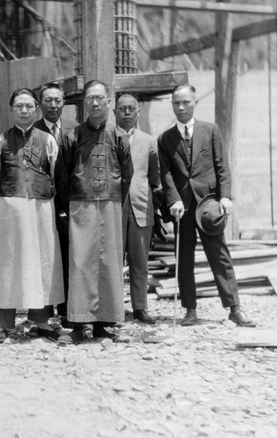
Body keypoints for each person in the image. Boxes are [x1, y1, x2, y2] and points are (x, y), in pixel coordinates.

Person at [157, 84, 255, 327]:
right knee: (184, 258)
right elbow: (166, 175)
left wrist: (225, 197)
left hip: (209, 205)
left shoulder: (210, 131)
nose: (181, 107)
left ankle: (234, 308)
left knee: (219, 255)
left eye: (185, 102)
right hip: (182, 207)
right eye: (176, 103)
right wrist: (174, 200)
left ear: (195, 102)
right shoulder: (165, 139)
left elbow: (222, 166)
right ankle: (190, 309)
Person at [56, 80, 132, 344]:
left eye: (100, 98)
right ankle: (78, 323)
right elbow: (62, 175)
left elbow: (127, 174)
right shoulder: (72, 136)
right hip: (80, 205)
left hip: (110, 204)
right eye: (91, 99)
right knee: (80, 262)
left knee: (109, 262)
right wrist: (66, 209)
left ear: (108, 103)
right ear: (84, 103)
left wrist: (115, 200)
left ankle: (103, 324)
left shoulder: (119, 136)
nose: (96, 103)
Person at [0, 88, 64, 343]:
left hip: (41, 208)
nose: (24, 110)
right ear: (11, 110)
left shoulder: (48, 140)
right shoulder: (0, 142)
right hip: (9, 208)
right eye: (19, 106)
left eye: (29, 106)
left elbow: (56, 176)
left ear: (36, 109)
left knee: (40, 263)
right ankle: (4, 324)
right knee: (8, 263)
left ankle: (41, 321)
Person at [33, 82, 78, 329]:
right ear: (40, 104)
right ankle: (42, 313)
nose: (53, 105)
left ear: (64, 103)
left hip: (69, 203)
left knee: (67, 254)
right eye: (48, 100)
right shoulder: (33, 130)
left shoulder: (73, 131)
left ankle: (67, 309)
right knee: (44, 257)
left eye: (58, 100)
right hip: (42, 203)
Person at [114, 93, 161, 325]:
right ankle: (113, 310)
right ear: (114, 112)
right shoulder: (108, 137)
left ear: (138, 112)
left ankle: (140, 307)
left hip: (141, 207)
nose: (126, 112)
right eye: (122, 108)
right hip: (114, 208)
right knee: (113, 261)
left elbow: (155, 177)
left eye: (131, 108)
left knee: (139, 261)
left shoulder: (149, 141)